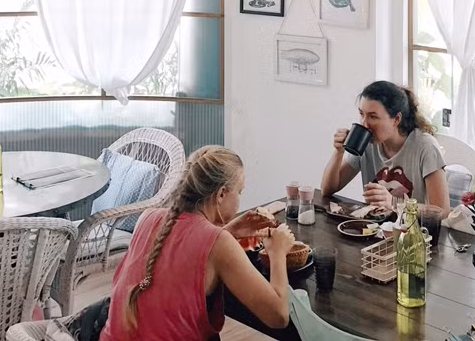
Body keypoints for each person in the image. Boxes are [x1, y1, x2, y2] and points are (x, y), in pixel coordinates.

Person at [100, 145, 296, 341]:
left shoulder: (148, 217)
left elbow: (180, 260)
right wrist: (277, 252)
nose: (239, 198)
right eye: (240, 191)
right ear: (221, 194)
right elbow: (278, 316)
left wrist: (228, 231)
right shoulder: (220, 244)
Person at [321, 80, 451, 217]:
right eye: (361, 114)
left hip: (413, 228)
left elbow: (442, 210)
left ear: (396, 119)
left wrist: (394, 203)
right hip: (374, 225)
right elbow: (327, 189)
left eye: (373, 116)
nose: (364, 124)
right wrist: (339, 152)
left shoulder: (425, 146)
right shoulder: (366, 143)